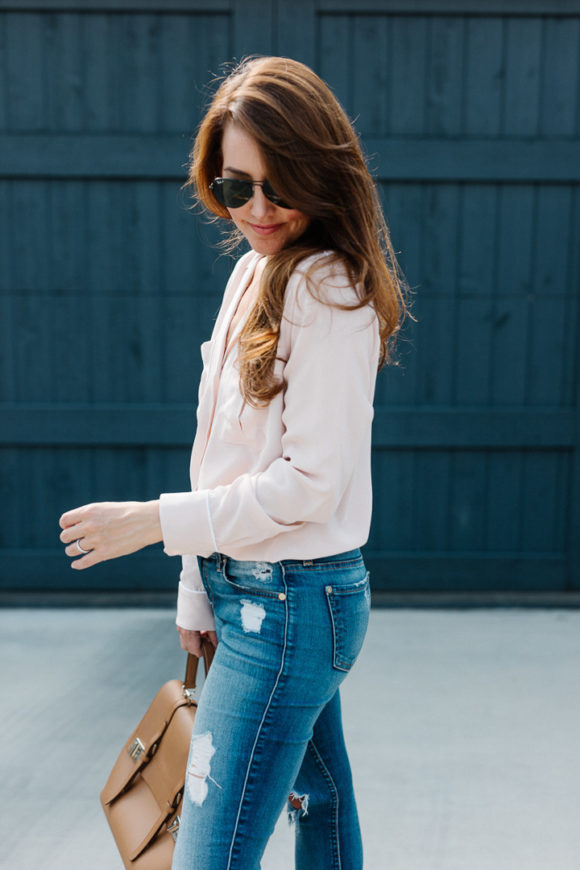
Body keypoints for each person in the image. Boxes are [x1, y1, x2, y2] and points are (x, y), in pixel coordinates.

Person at [59, 56, 409, 870]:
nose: (256, 209)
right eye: (233, 187)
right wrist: (195, 583)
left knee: (206, 857)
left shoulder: (329, 292)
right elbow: (217, 444)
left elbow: (309, 482)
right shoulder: (254, 272)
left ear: (321, 177)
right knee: (320, 804)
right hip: (256, 596)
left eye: (278, 187)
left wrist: (153, 523)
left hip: (290, 609)